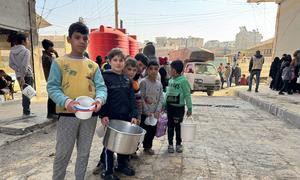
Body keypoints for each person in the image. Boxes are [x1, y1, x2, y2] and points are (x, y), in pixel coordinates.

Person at [47, 22, 107, 180]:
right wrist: (66, 101)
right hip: (67, 115)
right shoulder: (59, 63)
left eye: (85, 38)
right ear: (69, 39)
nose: (82, 41)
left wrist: (99, 100)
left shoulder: (92, 66)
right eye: (77, 37)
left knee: (84, 152)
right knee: (62, 153)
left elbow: (101, 87)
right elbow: (52, 88)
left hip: (89, 117)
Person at [99, 48, 138, 180]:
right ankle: (108, 171)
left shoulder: (127, 80)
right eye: (115, 60)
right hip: (111, 118)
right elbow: (101, 97)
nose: (118, 63)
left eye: (121, 60)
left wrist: (134, 114)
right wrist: (103, 115)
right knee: (110, 146)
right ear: (109, 61)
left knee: (124, 143)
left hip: (125, 117)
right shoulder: (105, 77)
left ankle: (121, 164)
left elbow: (132, 99)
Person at [165, 60, 192, 153]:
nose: (169, 71)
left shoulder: (183, 81)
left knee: (178, 127)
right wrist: (165, 105)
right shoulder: (170, 80)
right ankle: (170, 144)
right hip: (170, 108)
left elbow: (187, 95)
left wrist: (190, 108)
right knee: (170, 126)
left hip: (179, 109)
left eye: (171, 69)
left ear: (175, 70)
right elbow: (167, 94)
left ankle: (178, 144)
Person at [140, 61, 164, 155]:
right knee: (142, 130)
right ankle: (134, 149)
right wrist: (146, 111)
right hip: (145, 113)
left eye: (156, 69)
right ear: (147, 70)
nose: (153, 71)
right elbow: (141, 98)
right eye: (151, 69)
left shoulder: (159, 84)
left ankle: (148, 147)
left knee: (151, 131)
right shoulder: (143, 82)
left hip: (154, 114)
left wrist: (158, 110)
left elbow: (161, 98)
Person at [9, 33, 33, 117]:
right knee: (27, 93)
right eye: (27, 40)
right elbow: (24, 65)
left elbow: (11, 64)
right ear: (23, 41)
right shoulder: (26, 51)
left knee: (24, 93)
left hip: (18, 75)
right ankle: (26, 112)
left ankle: (26, 111)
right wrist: (23, 76)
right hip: (27, 75)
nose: (28, 41)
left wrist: (18, 71)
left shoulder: (12, 51)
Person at [42, 39, 59, 119]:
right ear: (49, 47)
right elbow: (54, 67)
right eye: (52, 47)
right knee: (52, 96)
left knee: (53, 95)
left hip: (53, 78)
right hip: (51, 78)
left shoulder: (49, 56)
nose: (53, 48)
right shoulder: (46, 57)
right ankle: (51, 113)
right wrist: (56, 54)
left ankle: (53, 112)